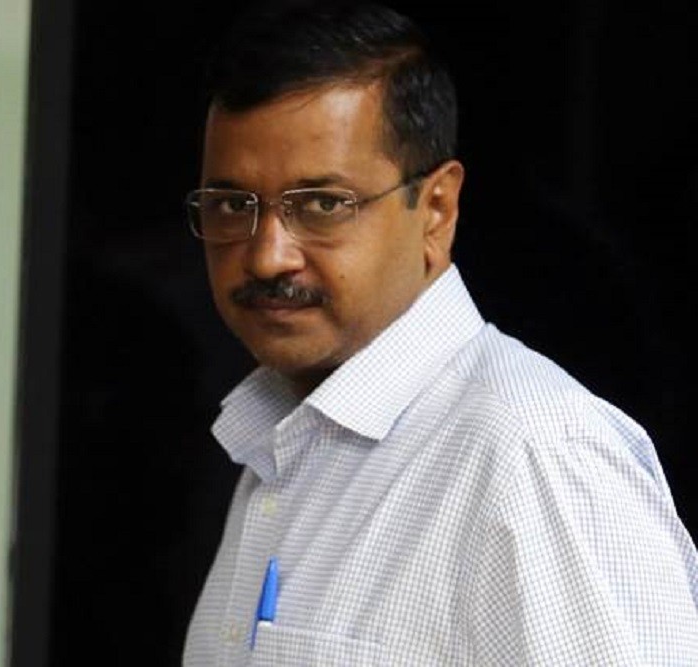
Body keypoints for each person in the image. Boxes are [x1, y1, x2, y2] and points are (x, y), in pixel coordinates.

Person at [181, 1, 698, 664]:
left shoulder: (533, 456)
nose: (266, 257)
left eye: (323, 204)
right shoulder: (284, 443)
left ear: (436, 209)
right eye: (232, 205)